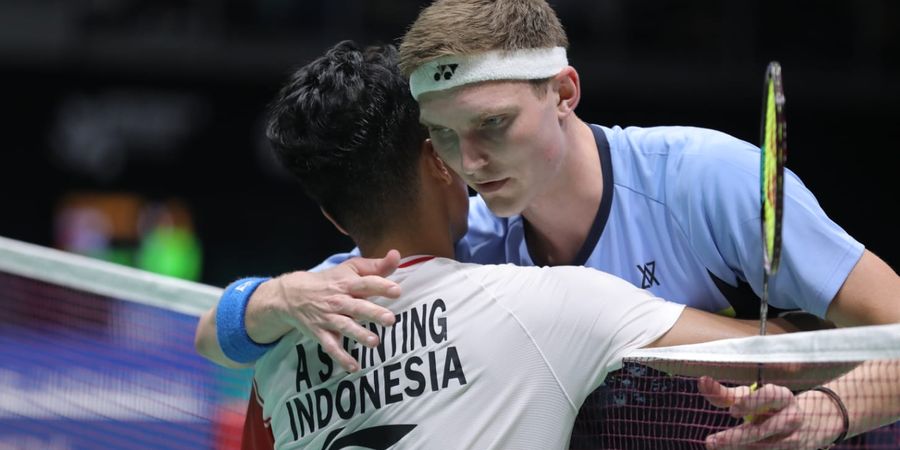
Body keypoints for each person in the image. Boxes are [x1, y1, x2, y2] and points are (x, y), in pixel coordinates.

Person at [196, 0, 900, 446]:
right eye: (441, 136)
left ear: (564, 92)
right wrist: (278, 296)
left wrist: (828, 414)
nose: (467, 161)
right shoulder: (463, 244)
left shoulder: (703, 180)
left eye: (492, 125)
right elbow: (221, 332)